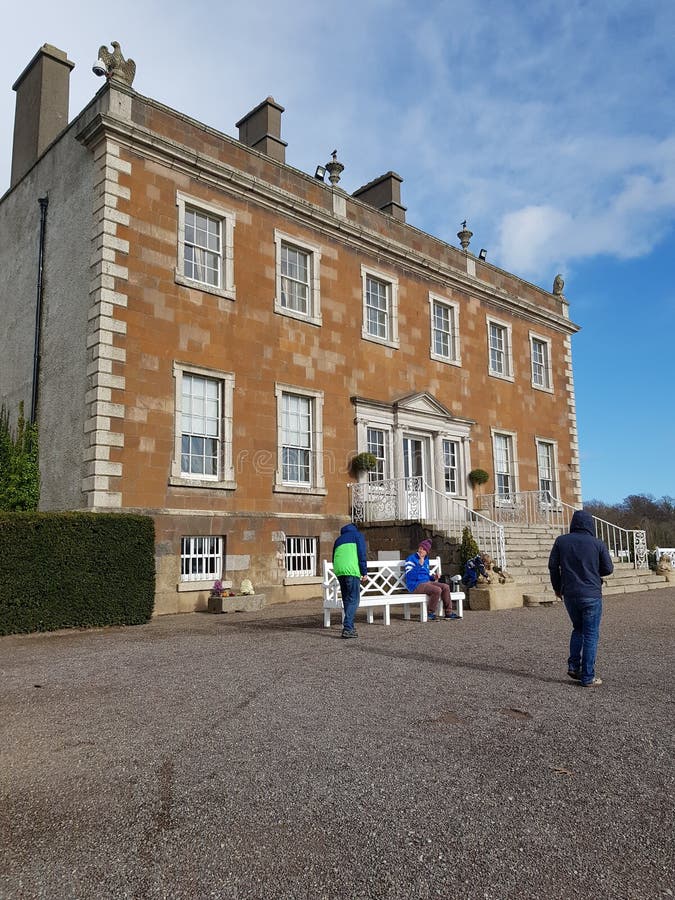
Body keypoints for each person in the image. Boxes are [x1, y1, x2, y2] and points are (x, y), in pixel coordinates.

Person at [548, 509, 614, 687]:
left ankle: (574, 666)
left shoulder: (561, 541)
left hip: (570, 593)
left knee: (578, 629)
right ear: (590, 525)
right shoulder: (597, 543)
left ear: (573, 523)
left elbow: (553, 567)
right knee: (591, 634)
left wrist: (557, 587)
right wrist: (593, 570)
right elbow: (608, 569)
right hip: (591, 593)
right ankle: (587, 676)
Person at [332, 523, 368, 639]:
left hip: (339, 570)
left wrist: (338, 570)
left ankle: (350, 627)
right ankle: (347, 627)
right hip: (351, 570)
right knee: (354, 599)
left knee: (347, 599)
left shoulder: (338, 539)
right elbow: (362, 554)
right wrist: (364, 572)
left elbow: (334, 556)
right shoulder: (357, 535)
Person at [404, 539, 454, 620]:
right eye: (420, 548)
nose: (421, 550)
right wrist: (419, 565)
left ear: (427, 551)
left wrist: (434, 577)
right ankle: (430, 613)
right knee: (437, 590)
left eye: (424, 549)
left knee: (445, 587)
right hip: (414, 585)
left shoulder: (426, 559)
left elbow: (426, 575)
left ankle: (449, 613)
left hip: (426, 583)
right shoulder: (411, 559)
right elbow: (409, 576)